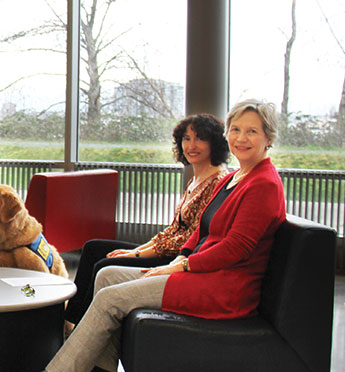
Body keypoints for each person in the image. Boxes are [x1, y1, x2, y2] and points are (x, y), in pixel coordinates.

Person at [0, 99, 286, 372]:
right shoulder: (236, 179)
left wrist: (182, 265)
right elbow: (199, 233)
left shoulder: (263, 184)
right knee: (106, 275)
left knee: (110, 299)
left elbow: (236, 249)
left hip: (223, 287)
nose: (241, 138)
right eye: (236, 129)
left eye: (252, 132)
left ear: (268, 138)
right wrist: (178, 261)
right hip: (201, 273)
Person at [66, 114, 229, 325]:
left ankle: (85, 325)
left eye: (200, 138)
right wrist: (139, 249)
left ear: (214, 143)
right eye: (186, 139)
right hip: (167, 249)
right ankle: (70, 321)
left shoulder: (217, 182)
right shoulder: (196, 179)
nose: (191, 145)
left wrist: (137, 253)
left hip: (176, 259)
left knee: (105, 264)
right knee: (93, 247)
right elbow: (173, 229)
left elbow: (190, 238)